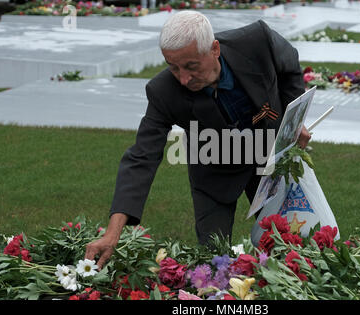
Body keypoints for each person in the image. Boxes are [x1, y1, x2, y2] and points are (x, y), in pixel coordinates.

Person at [85, 10, 310, 269]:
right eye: (173, 67)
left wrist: (295, 119)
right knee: (214, 261)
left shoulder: (257, 40)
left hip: (268, 159)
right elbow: (141, 157)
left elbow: (289, 64)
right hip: (213, 173)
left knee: (290, 248)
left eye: (192, 66)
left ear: (215, 49)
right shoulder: (163, 92)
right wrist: (112, 233)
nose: (183, 78)